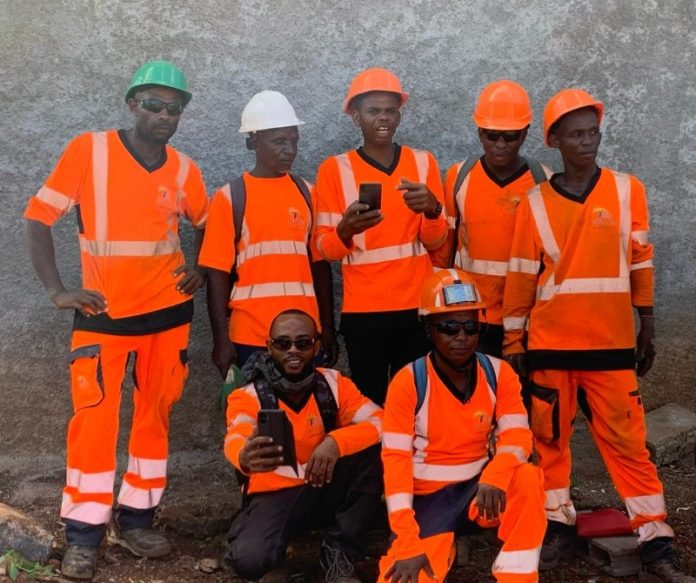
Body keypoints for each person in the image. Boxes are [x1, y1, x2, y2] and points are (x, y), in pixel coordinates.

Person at [24, 60, 209, 580]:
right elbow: (38, 217)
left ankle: (138, 520)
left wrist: (198, 266)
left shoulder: (184, 169)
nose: (164, 116)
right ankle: (84, 534)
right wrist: (58, 291)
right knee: (94, 423)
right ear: (132, 104)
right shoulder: (90, 150)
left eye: (174, 109)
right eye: (153, 105)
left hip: (168, 317)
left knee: (154, 417)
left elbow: (207, 221)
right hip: (103, 317)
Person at [503, 88, 695, 582]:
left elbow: (641, 259)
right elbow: (521, 276)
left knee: (629, 444)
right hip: (550, 346)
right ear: (555, 141)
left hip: (610, 346)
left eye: (593, 132)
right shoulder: (534, 203)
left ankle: (654, 537)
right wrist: (513, 341)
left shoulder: (628, 190)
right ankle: (557, 524)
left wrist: (647, 322)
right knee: (549, 442)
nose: (587, 142)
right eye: (576, 134)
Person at [378, 269, 546, 583]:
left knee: (526, 479)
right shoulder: (408, 382)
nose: (461, 337)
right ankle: (441, 544)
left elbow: (518, 436)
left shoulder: (499, 373)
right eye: (449, 327)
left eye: (471, 327)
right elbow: (395, 462)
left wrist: (496, 474)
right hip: (429, 499)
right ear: (429, 329)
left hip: (481, 492)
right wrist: (406, 538)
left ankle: (517, 576)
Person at [314, 67, 447, 405]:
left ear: (399, 115)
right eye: (373, 110)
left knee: (415, 405)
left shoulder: (423, 163)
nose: (383, 118)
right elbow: (325, 250)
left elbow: (435, 242)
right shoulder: (334, 170)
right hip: (364, 315)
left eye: (391, 110)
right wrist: (345, 231)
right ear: (356, 116)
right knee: (370, 407)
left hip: (417, 310)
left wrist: (433, 210)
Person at [223, 309, 383, 583]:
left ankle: (339, 551)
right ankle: (262, 540)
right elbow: (236, 434)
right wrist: (243, 456)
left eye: (303, 343)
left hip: (326, 484)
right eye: (283, 344)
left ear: (316, 346)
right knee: (249, 560)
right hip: (278, 494)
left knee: (372, 451)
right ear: (269, 346)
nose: (293, 351)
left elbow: (380, 421)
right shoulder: (248, 396)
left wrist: (335, 442)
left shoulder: (334, 384)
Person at [200, 91, 338, 375]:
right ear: (253, 141)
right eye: (279, 141)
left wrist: (327, 327)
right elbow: (217, 275)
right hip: (249, 336)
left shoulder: (308, 194)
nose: (290, 150)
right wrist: (221, 341)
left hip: (304, 336)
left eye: (294, 141)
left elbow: (320, 266)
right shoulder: (230, 197)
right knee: (252, 405)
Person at [436, 80, 551, 356]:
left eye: (510, 136)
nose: (500, 145)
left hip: (525, 320)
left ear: (524, 135)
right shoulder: (459, 177)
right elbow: (444, 248)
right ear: (480, 133)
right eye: (492, 135)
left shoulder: (543, 182)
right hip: (470, 317)